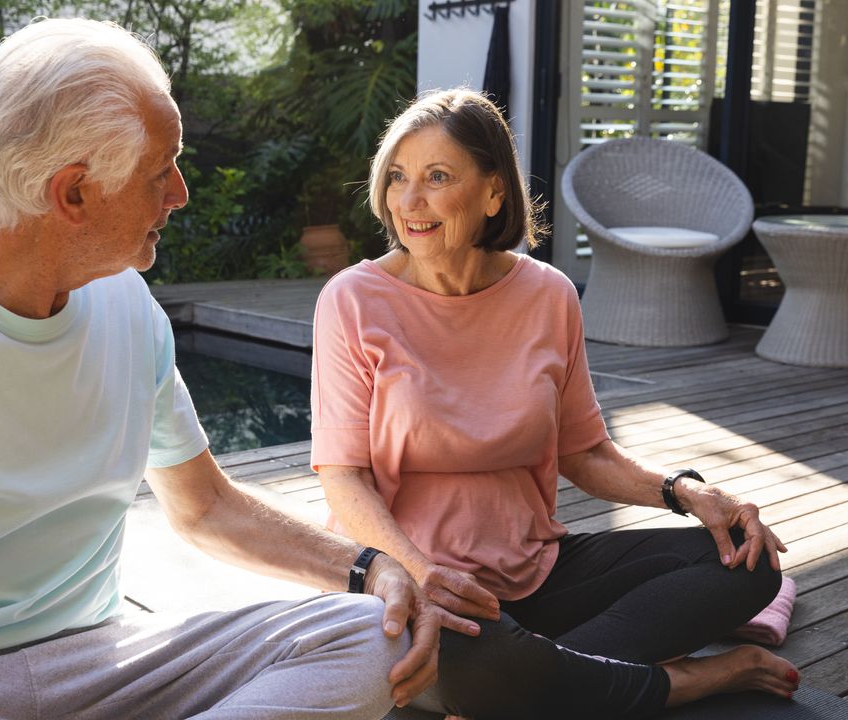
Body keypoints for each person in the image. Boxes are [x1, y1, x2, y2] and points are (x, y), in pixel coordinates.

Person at [0, 18, 441, 719]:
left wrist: (368, 566)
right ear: (72, 193)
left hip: (101, 665)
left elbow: (205, 507)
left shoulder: (126, 306)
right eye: (158, 169)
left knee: (363, 635)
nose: (179, 192)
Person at [310, 88, 800, 719]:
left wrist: (687, 493)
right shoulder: (352, 300)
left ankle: (537, 680)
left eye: (437, 177)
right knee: (467, 664)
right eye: (399, 178)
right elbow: (344, 481)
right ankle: (689, 680)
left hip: (537, 570)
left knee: (746, 561)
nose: (410, 202)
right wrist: (419, 572)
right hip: (409, 582)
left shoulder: (548, 295)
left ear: (493, 194)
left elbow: (585, 452)